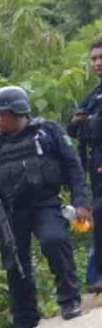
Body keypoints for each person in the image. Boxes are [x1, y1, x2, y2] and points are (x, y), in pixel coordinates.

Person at [0, 86, 90, 328]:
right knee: (15, 263)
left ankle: (70, 300)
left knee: (54, 241)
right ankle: (25, 320)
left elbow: (73, 166)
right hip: (11, 212)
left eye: (0, 115)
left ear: (17, 112)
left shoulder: (48, 133)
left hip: (44, 202)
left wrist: (80, 201)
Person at [70, 37, 102, 293]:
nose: (98, 63)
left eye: (101, 58)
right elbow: (73, 128)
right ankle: (96, 277)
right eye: (93, 58)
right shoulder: (92, 97)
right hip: (96, 164)